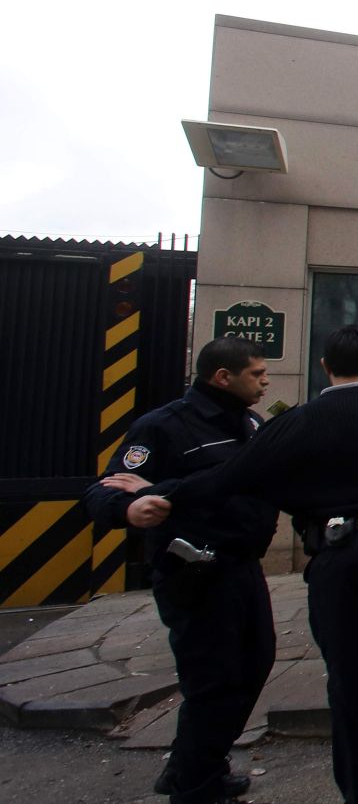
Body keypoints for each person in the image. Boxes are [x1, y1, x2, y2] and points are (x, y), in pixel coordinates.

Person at [109, 324, 358, 804]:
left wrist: (160, 493)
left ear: (324, 366)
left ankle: (357, 789)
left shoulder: (297, 421)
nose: (263, 381)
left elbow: (229, 477)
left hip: (336, 558)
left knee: (345, 678)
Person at [83, 337, 277, 804]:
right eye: (256, 373)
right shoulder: (163, 427)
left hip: (243, 566)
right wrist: (129, 509)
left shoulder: (251, 422)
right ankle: (195, 788)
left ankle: (195, 763)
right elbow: (105, 490)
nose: (265, 381)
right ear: (222, 377)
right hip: (195, 573)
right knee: (213, 679)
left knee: (255, 664)